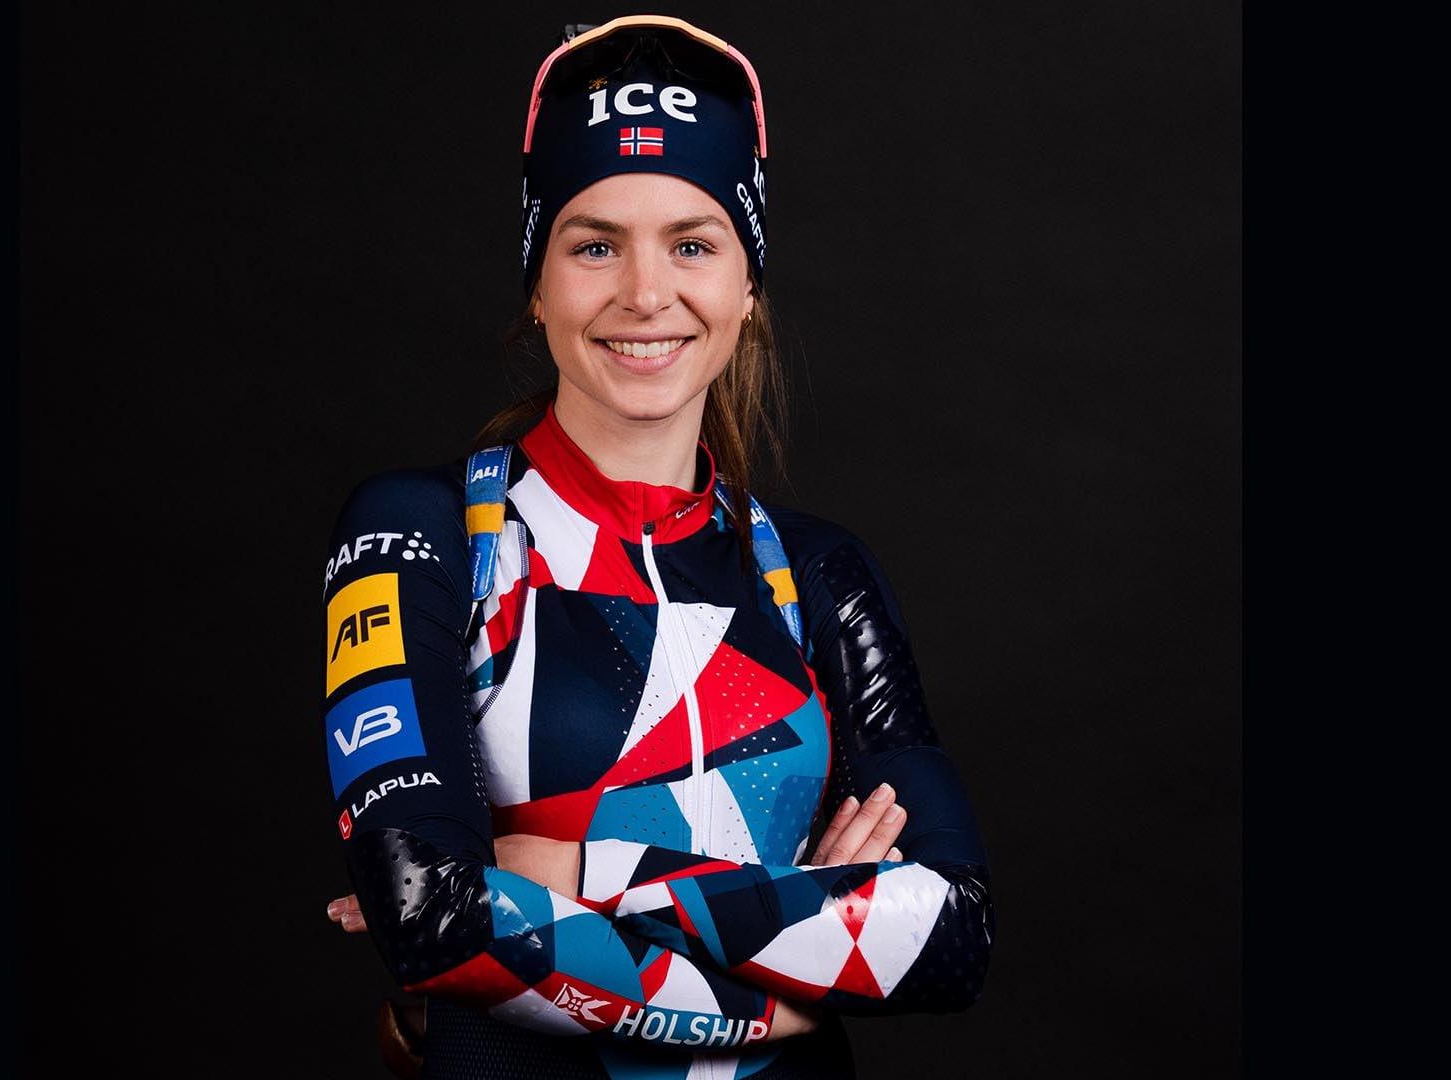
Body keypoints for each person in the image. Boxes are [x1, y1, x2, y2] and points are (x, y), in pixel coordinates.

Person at [320, 16, 993, 1078]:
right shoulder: (423, 531)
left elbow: (949, 934)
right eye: (595, 245)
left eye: (692, 244)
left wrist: (571, 871)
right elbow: (430, 916)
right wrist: (787, 980)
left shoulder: (821, 575)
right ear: (538, 284)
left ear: (746, 288)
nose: (645, 293)